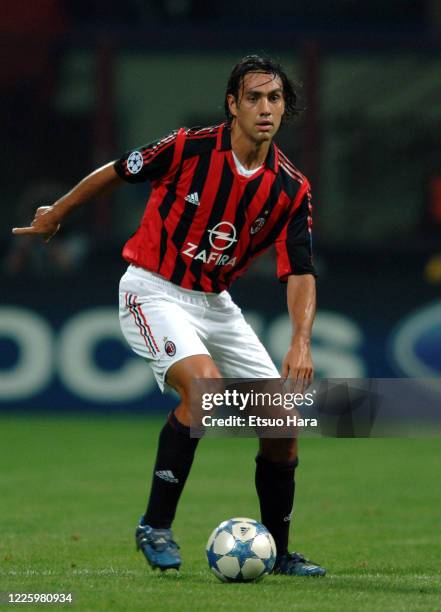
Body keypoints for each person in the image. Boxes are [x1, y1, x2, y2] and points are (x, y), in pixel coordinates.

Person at [12, 55, 325, 577]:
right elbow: (116, 172)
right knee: (202, 392)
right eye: (254, 97)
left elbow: (300, 271)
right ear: (233, 104)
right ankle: (154, 525)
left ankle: (281, 552)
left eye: (275, 99)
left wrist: (302, 340)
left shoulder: (292, 188)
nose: (265, 108)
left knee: (281, 422)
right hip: (152, 289)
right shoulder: (188, 148)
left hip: (215, 304)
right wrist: (58, 213)